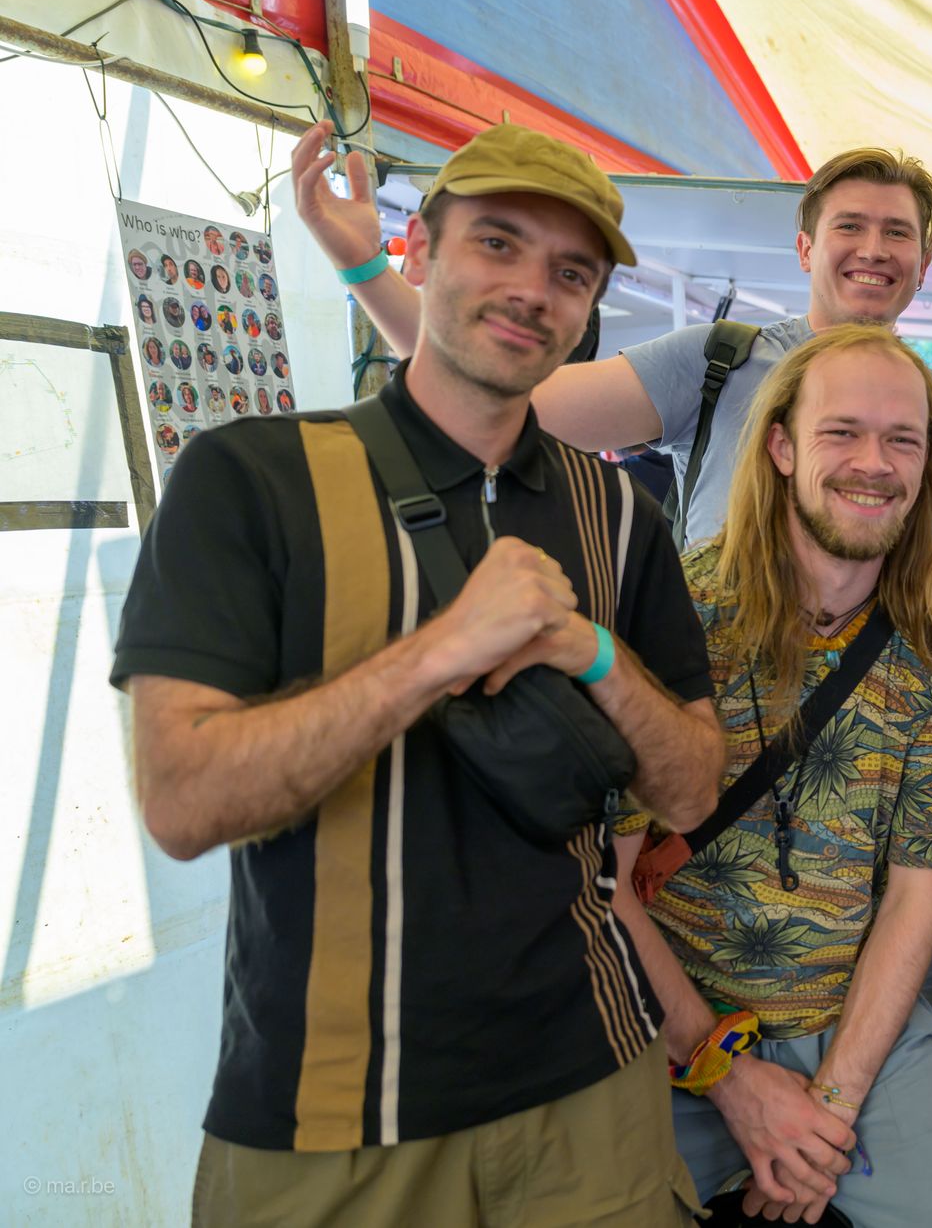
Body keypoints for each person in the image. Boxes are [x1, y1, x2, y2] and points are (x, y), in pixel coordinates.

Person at [111, 122, 726, 1224]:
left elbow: (689, 789)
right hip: (332, 1115)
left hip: (592, 1091)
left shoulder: (620, 513)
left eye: (571, 272)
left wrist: (592, 654)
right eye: (497, 242)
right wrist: (441, 648)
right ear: (418, 252)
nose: (532, 289)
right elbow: (184, 801)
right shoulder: (253, 479)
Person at [611, 323, 932, 1227]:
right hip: (661, 1021)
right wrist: (723, 1072)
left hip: (853, 1026)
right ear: (782, 447)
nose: (874, 462)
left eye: (902, 438)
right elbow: (604, 882)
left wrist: (827, 1114)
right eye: (842, 431)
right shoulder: (670, 616)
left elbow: (918, 895)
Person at [290, 122, 932, 544]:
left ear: (922, 268)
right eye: (850, 226)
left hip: (896, 730)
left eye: (897, 233)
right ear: (805, 249)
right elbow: (496, 397)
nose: (873, 249)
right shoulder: (720, 360)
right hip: (716, 705)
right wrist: (365, 269)